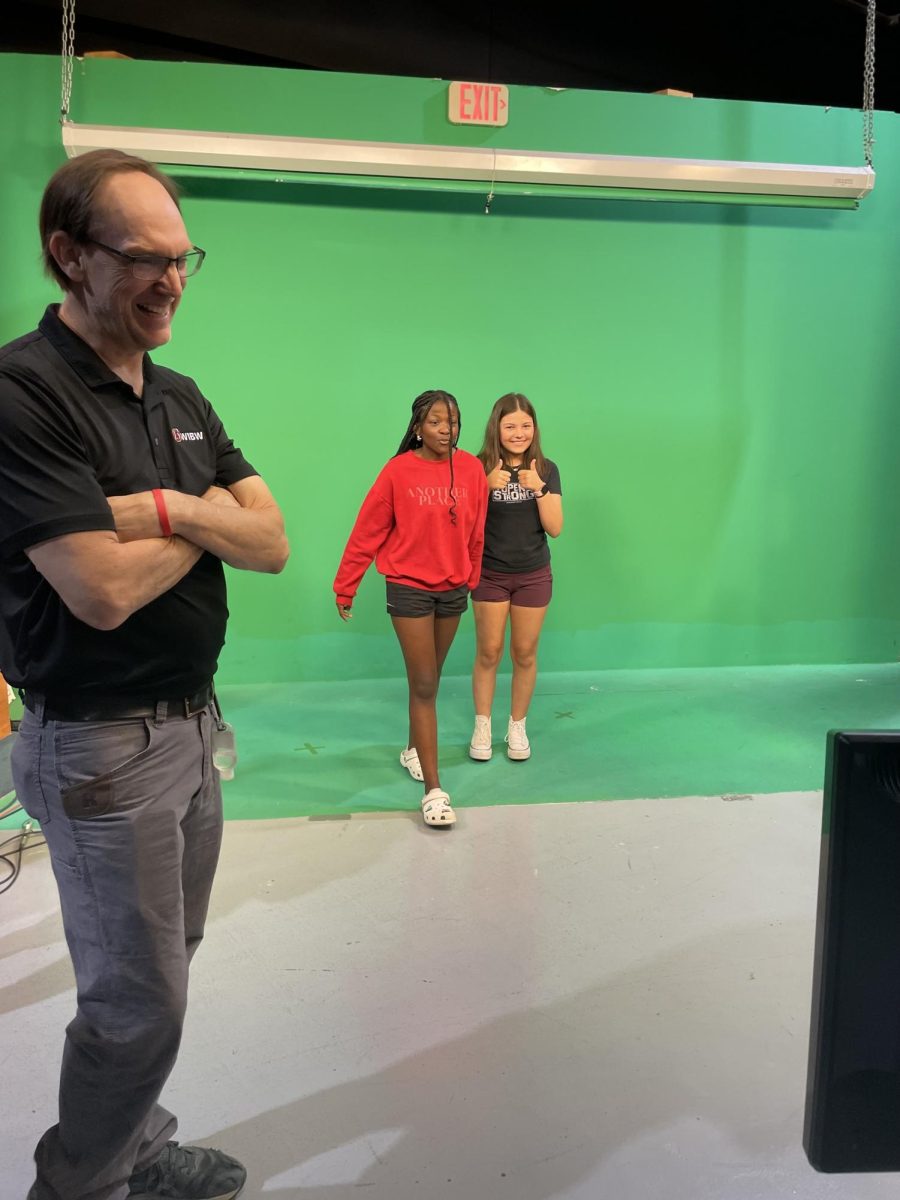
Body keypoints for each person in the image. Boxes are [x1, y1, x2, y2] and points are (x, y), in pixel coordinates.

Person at [0, 150, 289, 1200]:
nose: (170, 280)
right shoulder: (23, 395)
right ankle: (79, 1185)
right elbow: (102, 593)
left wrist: (167, 512)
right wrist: (212, 521)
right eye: (143, 258)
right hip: (100, 744)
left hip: (190, 730)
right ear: (68, 255)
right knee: (139, 1001)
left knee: (164, 968)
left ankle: (135, 1142)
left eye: (183, 258)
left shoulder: (179, 393)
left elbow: (273, 539)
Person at [334, 390, 487, 827]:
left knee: (431, 679)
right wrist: (346, 585)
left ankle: (412, 750)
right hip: (409, 587)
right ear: (418, 426)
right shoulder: (398, 472)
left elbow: (477, 529)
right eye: (437, 422)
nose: (447, 430)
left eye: (454, 422)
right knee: (422, 683)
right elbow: (368, 530)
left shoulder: (472, 469)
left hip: (454, 587)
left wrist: (470, 577)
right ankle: (434, 791)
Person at [469, 393, 563, 762]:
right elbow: (459, 526)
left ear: (534, 428)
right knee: (489, 651)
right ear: (497, 428)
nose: (518, 433)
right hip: (489, 573)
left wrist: (537, 487)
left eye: (525, 425)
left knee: (524, 652)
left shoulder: (547, 468)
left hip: (533, 574)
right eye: (510, 426)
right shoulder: (477, 466)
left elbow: (555, 527)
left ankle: (517, 726)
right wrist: (482, 488)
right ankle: (482, 725)